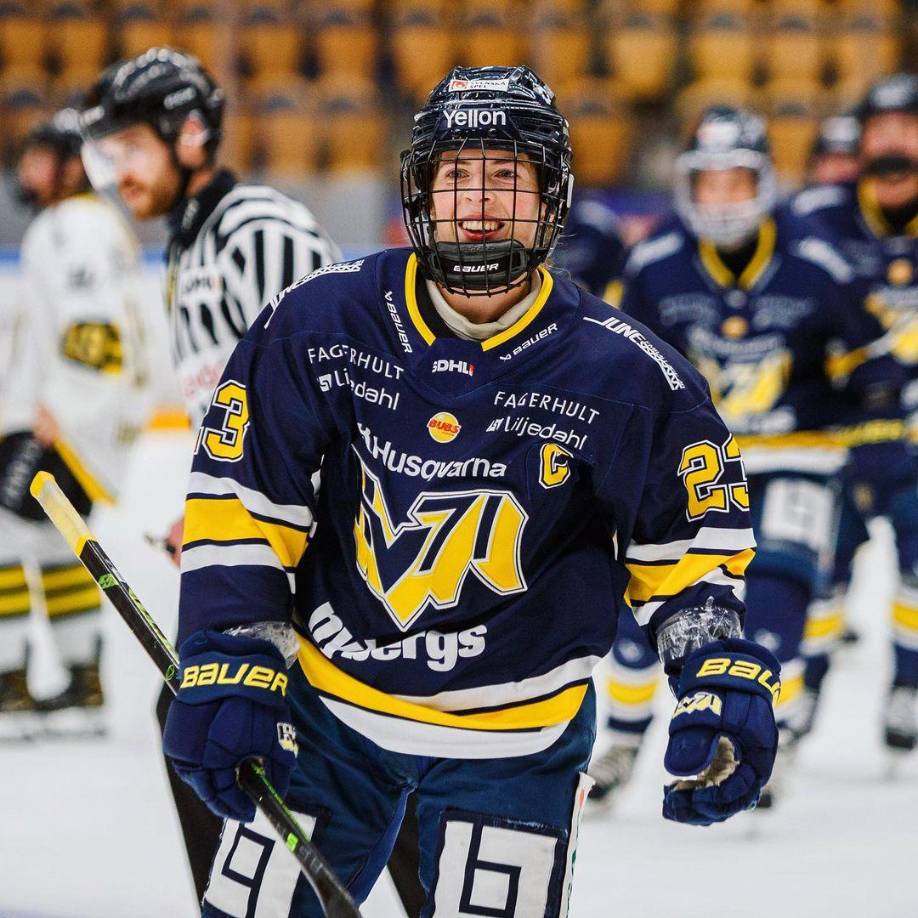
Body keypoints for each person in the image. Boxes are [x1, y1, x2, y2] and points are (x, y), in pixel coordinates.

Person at [161, 66, 780, 917]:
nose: (477, 201)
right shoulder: (320, 321)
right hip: (329, 715)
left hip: (517, 739)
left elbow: (687, 553)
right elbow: (247, 494)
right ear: (421, 190)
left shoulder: (627, 374)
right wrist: (232, 648)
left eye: (505, 175)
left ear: (551, 197)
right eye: (456, 174)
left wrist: (715, 669)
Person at [78, 47, 346, 907]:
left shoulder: (253, 228)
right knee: (208, 725)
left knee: (338, 745)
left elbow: (330, 389)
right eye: (108, 154)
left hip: (334, 546)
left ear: (189, 134)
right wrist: (218, 512)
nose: (117, 171)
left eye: (130, 149)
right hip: (274, 541)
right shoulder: (192, 249)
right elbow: (238, 417)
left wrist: (270, 515)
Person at [587, 105, 902, 810]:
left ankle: (773, 735)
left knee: (780, 591)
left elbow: (871, 358)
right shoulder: (655, 262)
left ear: (762, 182)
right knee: (645, 604)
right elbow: (615, 362)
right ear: (687, 186)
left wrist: (874, 403)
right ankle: (628, 737)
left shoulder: (815, 258)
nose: (722, 199)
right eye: (710, 183)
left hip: (800, 457)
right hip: (692, 463)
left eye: (737, 182)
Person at [0, 109, 147, 739]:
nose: (25, 167)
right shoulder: (82, 224)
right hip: (83, 415)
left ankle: (6, 681)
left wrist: (62, 412)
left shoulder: (70, 228)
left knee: (3, 534)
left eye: (40, 155)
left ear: (70, 164)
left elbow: (95, 329)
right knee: (60, 542)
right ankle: (84, 681)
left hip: (68, 417)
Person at [791, 73, 918, 753]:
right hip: (834, 432)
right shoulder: (816, 219)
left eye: (908, 126)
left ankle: (909, 683)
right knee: (817, 569)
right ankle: (803, 684)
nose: (895, 141)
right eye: (882, 128)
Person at [806, 114, 861, 187]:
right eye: (834, 159)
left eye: (849, 159)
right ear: (816, 161)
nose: (842, 168)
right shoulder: (800, 197)